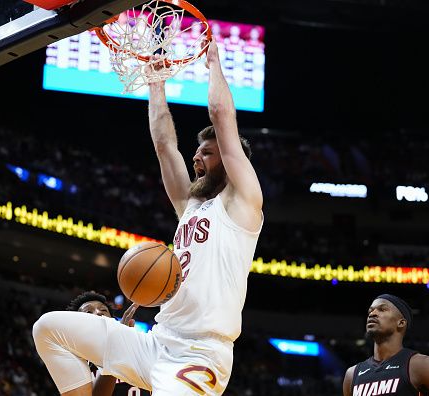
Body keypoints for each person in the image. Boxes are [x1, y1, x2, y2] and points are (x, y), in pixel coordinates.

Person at [32, 38, 263, 396]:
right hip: (156, 342)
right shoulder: (190, 205)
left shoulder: (243, 202)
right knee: (49, 328)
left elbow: (222, 117)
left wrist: (214, 61)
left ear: (232, 162)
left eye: (207, 152)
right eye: (196, 152)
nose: (196, 159)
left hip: (199, 355)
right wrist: (156, 84)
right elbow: (163, 144)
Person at [343, 294, 429, 396]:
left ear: (401, 323)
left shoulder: (422, 365)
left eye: (382, 309)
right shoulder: (352, 375)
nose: (372, 314)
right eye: (370, 311)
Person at [64, 291, 149, 396]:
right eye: (88, 312)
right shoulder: (74, 365)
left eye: (103, 310)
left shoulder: (138, 350)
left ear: (113, 320)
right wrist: (117, 345)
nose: (98, 312)